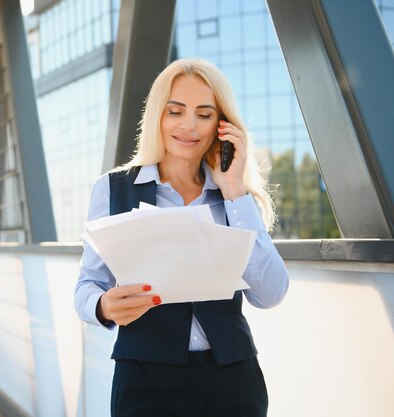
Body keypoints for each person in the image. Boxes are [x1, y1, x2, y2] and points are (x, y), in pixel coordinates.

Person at [74, 57, 289, 417]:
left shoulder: (234, 197)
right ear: (158, 115)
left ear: (221, 125)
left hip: (233, 379)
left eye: (204, 115)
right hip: (146, 380)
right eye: (175, 111)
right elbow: (87, 286)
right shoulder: (112, 190)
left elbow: (270, 293)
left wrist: (235, 191)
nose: (189, 125)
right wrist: (105, 306)